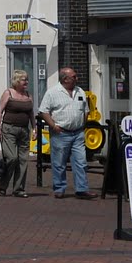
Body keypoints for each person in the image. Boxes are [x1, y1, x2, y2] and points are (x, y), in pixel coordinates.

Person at [40, 66, 92, 199]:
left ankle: (82, 189)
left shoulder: (80, 91)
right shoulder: (52, 92)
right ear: (65, 79)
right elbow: (44, 111)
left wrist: (82, 124)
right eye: (74, 76)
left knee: (81, 161)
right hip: (61, 133)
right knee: (59, 162)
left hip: (78, 133)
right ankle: (59, 188)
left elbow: (86, 109)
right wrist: (53, 125)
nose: (77, 78)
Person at [0, 70, 35, 197]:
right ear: (17, 81)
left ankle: (19, 189)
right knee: (12, 158)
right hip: (9, 129)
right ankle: (3, 183)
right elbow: (0, 111)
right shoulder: (8, 93)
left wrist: (34, 128)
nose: (26, 82)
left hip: (24, 130)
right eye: (24, 80)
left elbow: (31, 113)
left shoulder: (28, 95)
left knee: (23, 160)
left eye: (27, 80)